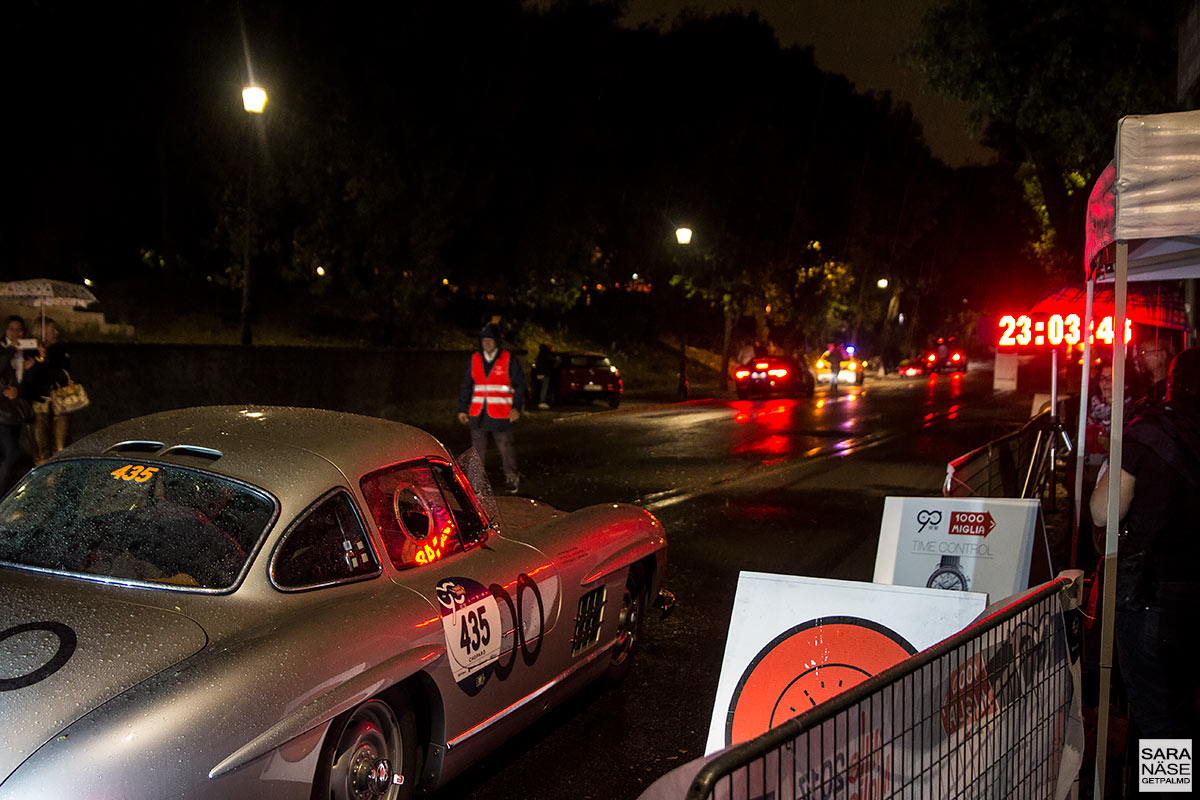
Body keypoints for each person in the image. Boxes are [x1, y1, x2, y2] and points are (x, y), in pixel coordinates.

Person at [1090, 346, 1200, 741]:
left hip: (1153, 600)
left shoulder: (1150, 433)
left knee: (1158, 721)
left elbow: (1104, 511)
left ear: (1174, 384)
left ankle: (1165, 789)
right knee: (1182, 709)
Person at [457, 323, 527, 494]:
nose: (486, 343)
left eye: (490, 340)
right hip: (478, 414)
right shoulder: (475, 359)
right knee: (477, 451)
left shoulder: (508, 359)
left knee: (506, 448)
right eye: (484, 340)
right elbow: (468, 385)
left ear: (496, 342)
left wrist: (516, 408)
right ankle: (476, 485)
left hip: (501, 413)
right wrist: (462, 408)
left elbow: (520, 386)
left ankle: (511, 478)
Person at [23, 318, 73, 463]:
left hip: (58, 403)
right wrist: (38, 361)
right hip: (38, 403)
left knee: (60, 448)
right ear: (42, 331)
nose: (56, 333)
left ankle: (58, 479)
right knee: (40, 449)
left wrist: (45, 361)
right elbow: (29, 379)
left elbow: (63, 375)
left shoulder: (60, 351)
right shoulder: (29, 351)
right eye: (52, 329)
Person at [532, 343, 557, 410]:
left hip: (539, 374)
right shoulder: (547, 355)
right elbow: (553, 361)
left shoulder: (539, 355)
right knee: (544, 388)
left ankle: (538, 401)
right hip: (545, 374)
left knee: (539, 388)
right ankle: (542, 401)